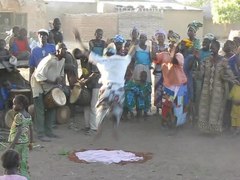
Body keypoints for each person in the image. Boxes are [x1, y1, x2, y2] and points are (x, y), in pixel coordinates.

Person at [73, 29, 136, 137]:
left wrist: (78, 40)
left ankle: (98, 126)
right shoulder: (123, 60)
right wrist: (134, 39)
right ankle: (115, 125)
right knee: (118, 110)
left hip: (106, 89)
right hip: (119, 90)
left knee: (100, 109)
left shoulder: (102, 60)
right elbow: (132, 51)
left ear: (105, 53)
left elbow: (86, 51)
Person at [198, 39, 239, 133]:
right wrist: (198, 63)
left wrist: (230, 79)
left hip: (218, 91)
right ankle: (205, 129)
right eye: (210, 48)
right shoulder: (206, 60)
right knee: (205, 108)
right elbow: (201, 75)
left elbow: (230, 74)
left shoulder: (223, 61)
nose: (211, 49)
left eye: (213, 47)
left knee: (215, 110)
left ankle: (214, 130)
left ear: (218, 48)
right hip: (206, 89)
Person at [31, 43, 66, 141]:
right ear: (58, 50)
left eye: (66, 49)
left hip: (50, 85)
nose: (66, 51)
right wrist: (53, 82)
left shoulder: (62, 60)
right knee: (40, 109)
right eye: (64, 49)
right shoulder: (49, 60)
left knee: (52, 107)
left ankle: (49, 131)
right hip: (37, 84)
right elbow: (38, 76)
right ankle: (40, 134)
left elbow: (61, 74)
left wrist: (60, 83)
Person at [8, 94, 33, 180]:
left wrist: (12, 145)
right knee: (24, 162)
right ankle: (26, 177)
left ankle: (18, 177)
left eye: (15, 104)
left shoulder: (18, 116)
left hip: (17, 143)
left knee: (15, 162)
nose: (13, 106)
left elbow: (18, 132)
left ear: (21, 105)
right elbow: (31, 129)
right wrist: (31, 142)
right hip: (25, 143)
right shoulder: (28, 116)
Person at [151, 29, 168, 115]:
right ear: (157, 38)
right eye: (159, 36)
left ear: (164, 38)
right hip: (157, 70)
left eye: (162, 36)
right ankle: (157, 108)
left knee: (165, 90)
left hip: (165, 71)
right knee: (157, 89)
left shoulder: (167, 46)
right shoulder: (155, 46)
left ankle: (164, 108)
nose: (160, 38)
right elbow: (154, 57)